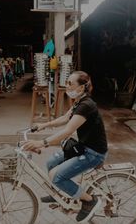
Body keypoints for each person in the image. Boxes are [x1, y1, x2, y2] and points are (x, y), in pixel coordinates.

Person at [23, 71, 108, 222]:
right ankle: (59, 193)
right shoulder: (79, 101)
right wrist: (44, 125)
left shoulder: (87, 105)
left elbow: (68, 130)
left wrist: (42, 143)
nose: (67, 86)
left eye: (70, 83)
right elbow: (65, 118)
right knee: (51, 163)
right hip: (83, 147)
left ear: (81, 88)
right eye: (67, 82)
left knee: (57, 176)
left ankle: (89, 201)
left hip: (93, 153)